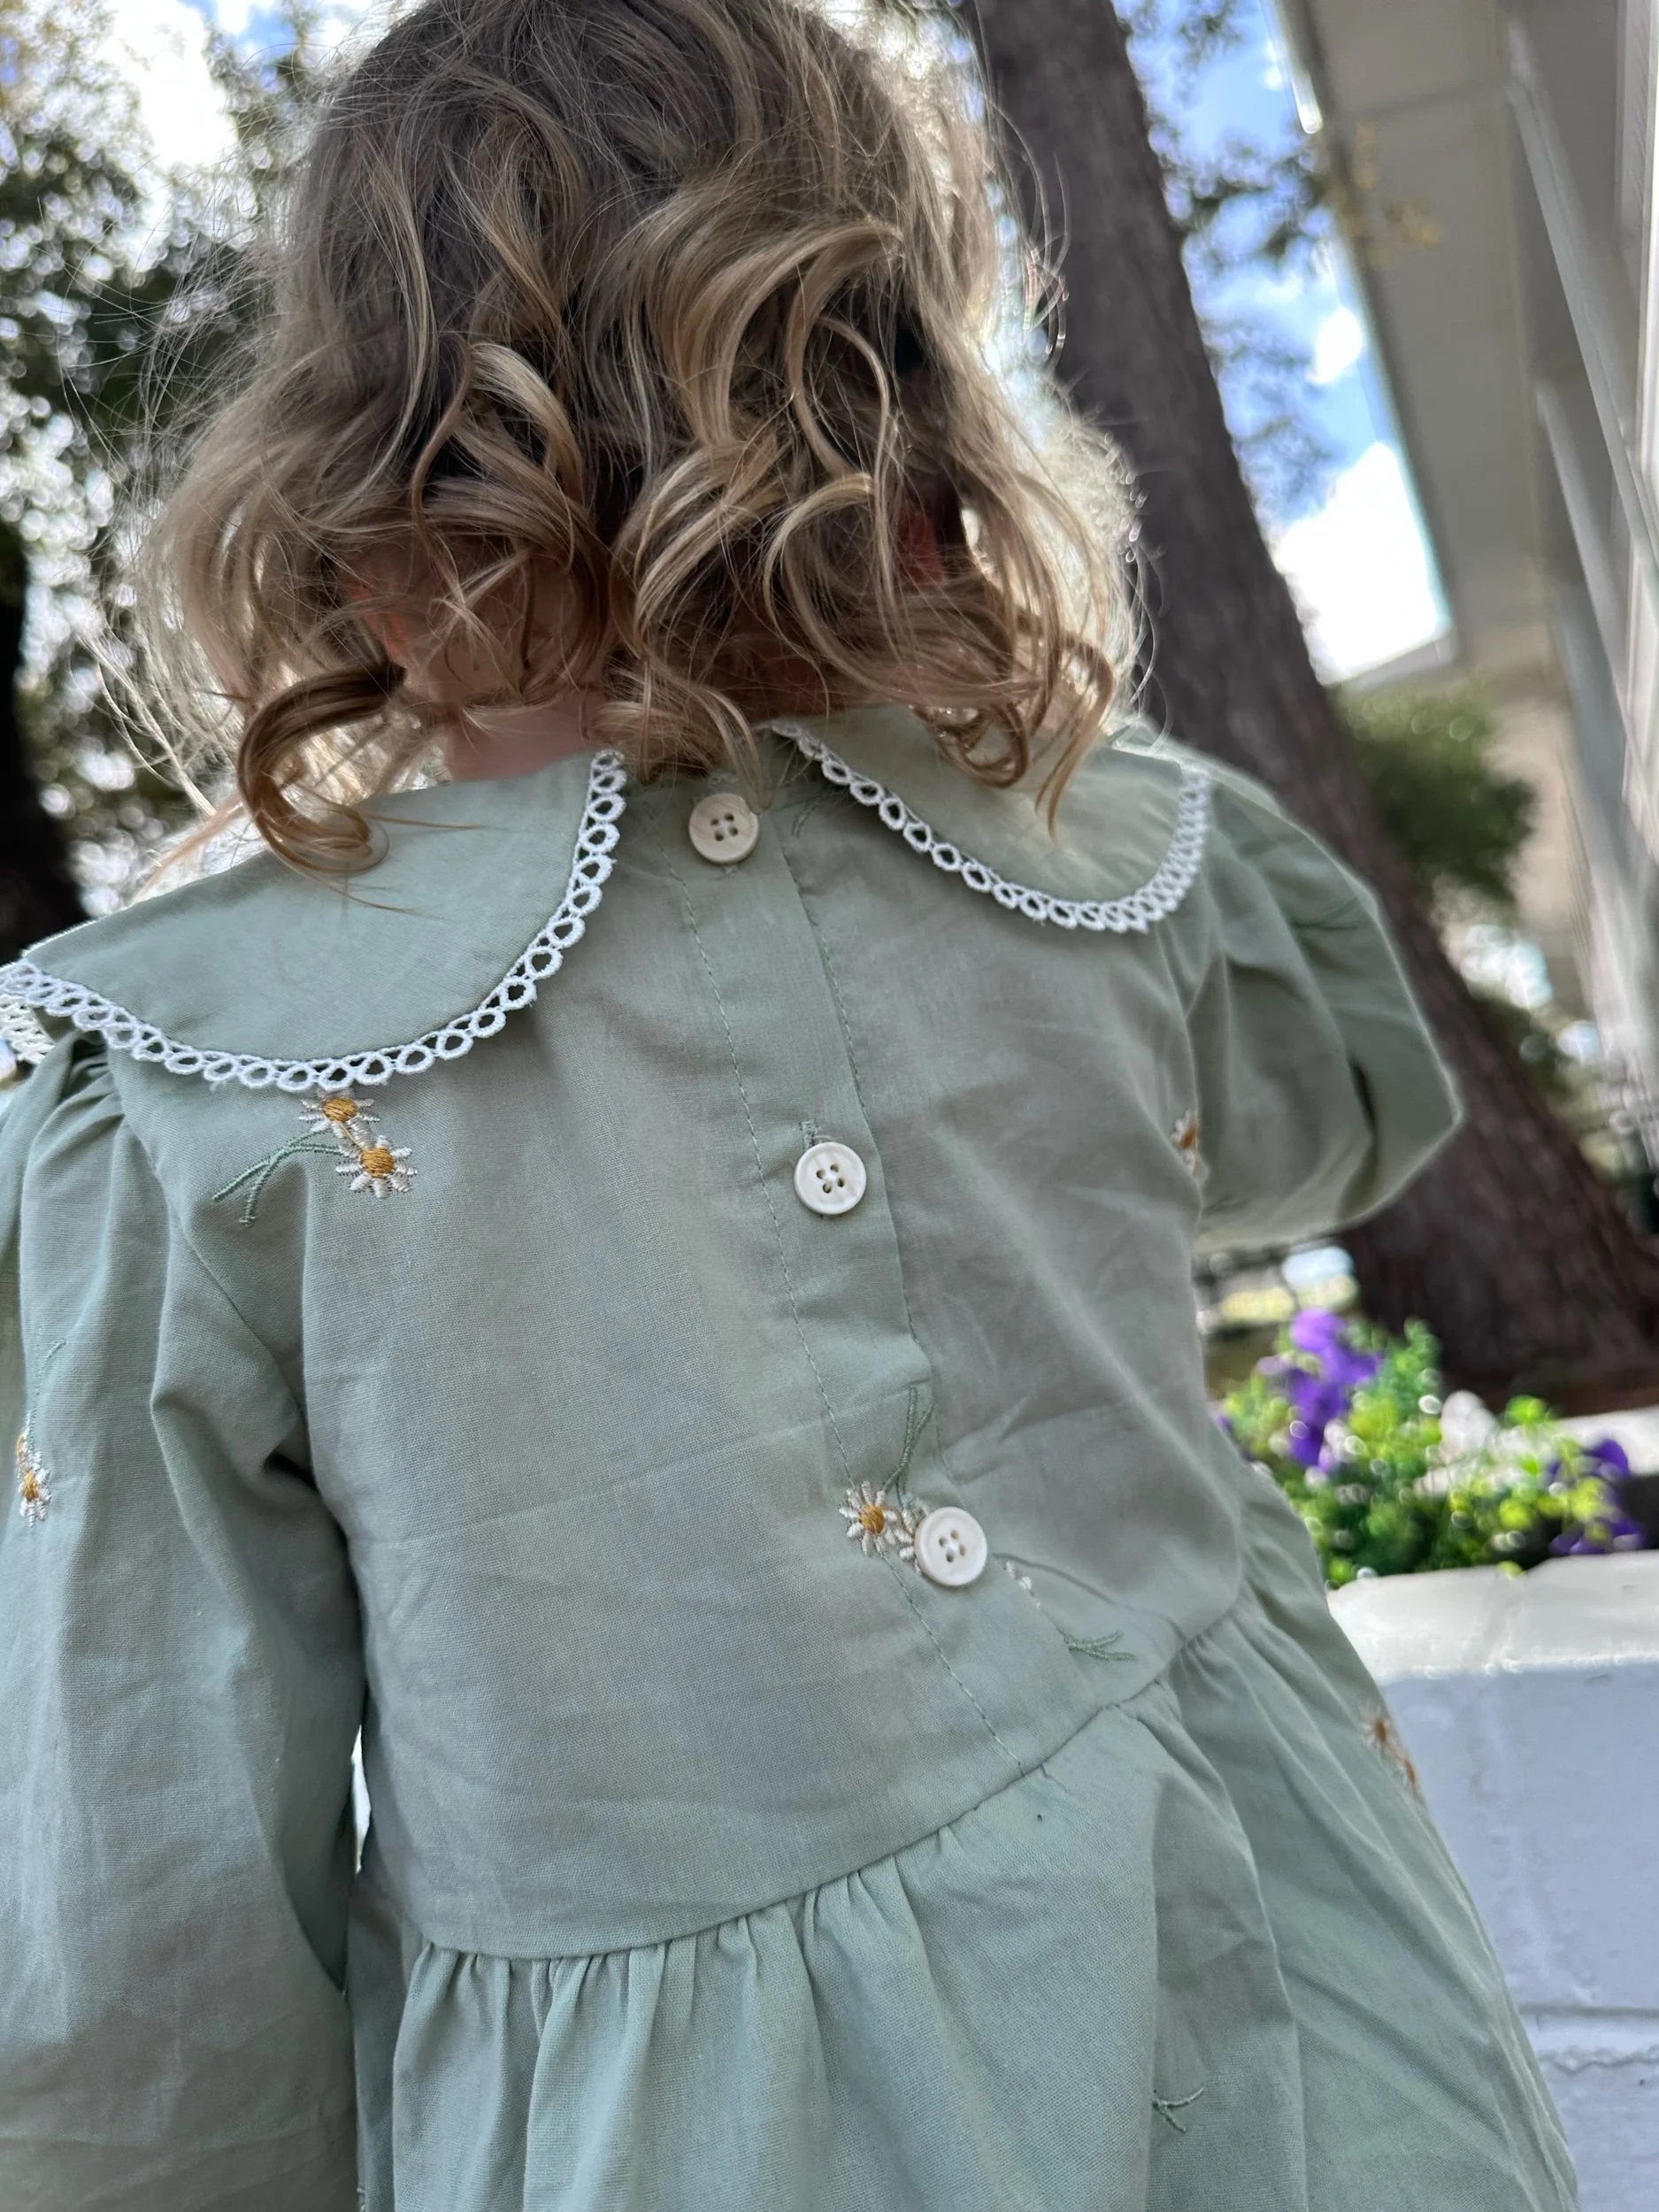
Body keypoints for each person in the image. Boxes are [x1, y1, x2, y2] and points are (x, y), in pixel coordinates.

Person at [0, 3, 1576, 2207]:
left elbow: (149, 1952)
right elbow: (1324, 1124)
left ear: (357, 488)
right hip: (1319, 2045)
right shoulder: (1103, 849)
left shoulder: (209, 1081)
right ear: (909, 421)